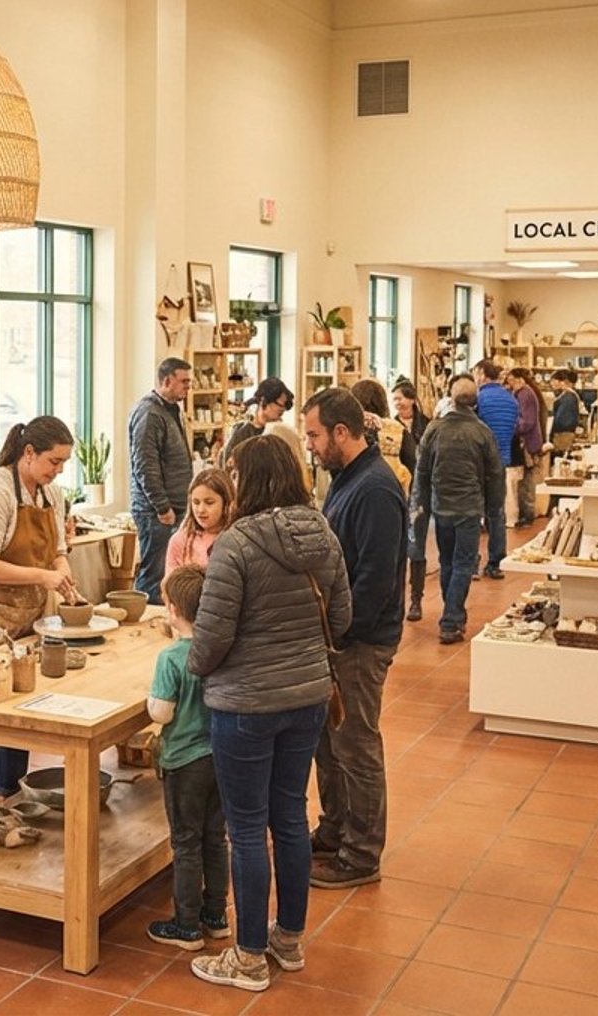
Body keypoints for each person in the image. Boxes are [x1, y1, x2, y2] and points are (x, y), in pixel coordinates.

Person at [187, 435, 350, 992]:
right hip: (307, 698)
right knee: (290, 819)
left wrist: (192, 668)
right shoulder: (322, 531)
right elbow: (343, 617)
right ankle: (288, 939)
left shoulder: (236, 545)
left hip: (245, 704)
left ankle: (249, 956)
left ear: (249, 480)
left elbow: (211, 638)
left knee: (247, 827)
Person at [301, 387, 406, 889]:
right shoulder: (345, 479)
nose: (311, 446)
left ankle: (362, 853)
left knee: (356, 745)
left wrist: (342, 632)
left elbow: (376, 578)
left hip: (360, 643)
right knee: (330, 742)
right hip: (338, 638)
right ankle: (335, 828)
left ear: (342, 433)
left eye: (315, 436)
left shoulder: (376, 490)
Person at [0, 417, 77, 808]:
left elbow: (57, 548)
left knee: (20, 703)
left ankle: (10, 796)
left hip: (24, 614)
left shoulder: (49, 494)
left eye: (63, 464)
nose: (58, 471)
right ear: (28, 454)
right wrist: (43, 575)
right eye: (54, 462)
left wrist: (62, 570)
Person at [145, 564, 230, 950]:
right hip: (221, 755)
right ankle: (216, 915)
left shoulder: (171, 658)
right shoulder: (220, 646)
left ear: (174, 609)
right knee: (216, 838)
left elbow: (161, 712)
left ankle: (186, 924)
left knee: (185, 842)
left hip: (184, 760)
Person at [412, 378, 504, 644]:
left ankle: (452, 615)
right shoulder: (482, 432)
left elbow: (422, 471)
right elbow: (495, 474)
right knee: (464, 563)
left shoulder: (434, 429)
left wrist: (422, 508)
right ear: (475, 402)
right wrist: (494, 509)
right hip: (469, 508)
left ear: (451, 399)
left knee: (447, 562)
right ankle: (451, 620)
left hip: (442, 507)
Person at [130, 357, 194, 602]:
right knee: (153, 574)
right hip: (156, 511)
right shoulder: (149, 413)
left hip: (174, 506)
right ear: (167, 380)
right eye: (184, 381)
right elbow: (144, 465)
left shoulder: (171, 410)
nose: (188, 387)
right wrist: (162, 506)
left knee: (168, 571)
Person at [474, 360, 517, 575]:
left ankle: (471, 562)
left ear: (482, 374)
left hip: (478, 462)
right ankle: (497, 562)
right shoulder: (511, 399)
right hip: (501, 461)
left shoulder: (479, 398)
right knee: (497, 514)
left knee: (472, 512)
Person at [394, 382, 433, 621]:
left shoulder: (427, 425)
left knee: (416, 546)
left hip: (420, 492)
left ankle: (416, 598)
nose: (397, 403)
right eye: (394, 398)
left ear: (411, 399)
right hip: (397, 490)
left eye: (400, 398)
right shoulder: (390, 427)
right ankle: (397, 598)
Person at [166, 469, 234, 573]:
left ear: (226, 503)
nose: (201, 510)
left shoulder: (237, 540)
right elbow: (168, 585)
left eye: (209, 502)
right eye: (196, 502)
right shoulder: (179, 540)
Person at [349, 378, 409, 491]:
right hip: (391, 492)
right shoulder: (397, 430)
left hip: (354, 492)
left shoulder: (347, 430)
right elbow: (413, 464)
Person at [506, 367, 546, 526]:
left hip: (528, 444)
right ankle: (526, 513)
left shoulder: (525, 394)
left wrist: (511, 426)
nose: (509, 384)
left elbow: (527, 422)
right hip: (529, 442)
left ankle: (527, 515)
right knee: (525, 480)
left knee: (527, 480)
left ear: (519, 379)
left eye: (511, 380)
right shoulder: (524, 393)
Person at [221, 378, 293, 464]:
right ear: (263, 400)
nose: (283, 408)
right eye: (280, 405)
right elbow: (228, 465)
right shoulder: (242, 432)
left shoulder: (280, 432)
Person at [548, 369, 583, 452]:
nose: (551, 383)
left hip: (563, 435)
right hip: (563, 434)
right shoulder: (566, 395)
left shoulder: (569, 396)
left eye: (553, 380)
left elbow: (563, 420)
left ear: (562, 381)